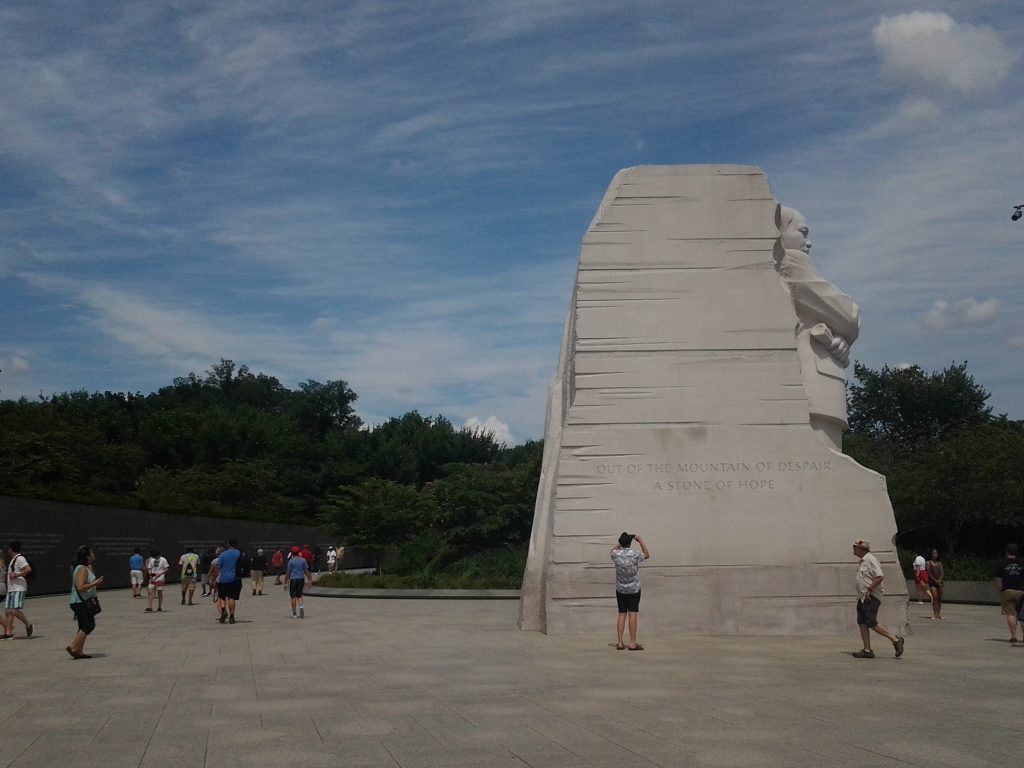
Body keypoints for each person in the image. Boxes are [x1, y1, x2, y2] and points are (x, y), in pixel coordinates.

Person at [776, 206, 860, 450]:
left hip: (813, 387)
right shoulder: (791, 262)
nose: (809, 243)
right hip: (812, 389)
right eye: (803, 232)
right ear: (779, 232)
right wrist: (844, 330)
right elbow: (848, 316)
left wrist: (839, 338)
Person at [852, 539, 905, 658]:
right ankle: (867, 650)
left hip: (871, 597)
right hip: (862, 597)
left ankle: (895, 640)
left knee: (871, 622)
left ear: (862, 549)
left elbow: (880, 576)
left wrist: (870, 589)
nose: (853, 549)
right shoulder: (862, 561)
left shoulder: (870, 559)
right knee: (862, 622)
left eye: (855, 547)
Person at [610, 532, 649, 651]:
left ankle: (620, 642)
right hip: (634, 589)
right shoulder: (635, 554)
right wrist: (640, 540)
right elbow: (646, 555)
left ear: (621, 543)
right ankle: (632, 643)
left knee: (622, 614)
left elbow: (611, 552)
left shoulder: (616, 554)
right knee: (632, 614)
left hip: (621, 589)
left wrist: (620, 543)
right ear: (630, 543)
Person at [68, 546, 103, 659]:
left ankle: (79, 651)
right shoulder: (82, 568)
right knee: (89, 625)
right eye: (92, 553)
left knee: (83, 625)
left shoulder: (83, 568)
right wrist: (95, 583)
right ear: (87, 556)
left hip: (80, 600)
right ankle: (73, 646)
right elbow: (80, 587)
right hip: (80, 601)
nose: (94, 555)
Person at [992, 543, 1024, 643]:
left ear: (1007, 552)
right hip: (1021, 591)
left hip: (1007, 590)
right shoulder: (1022, 562)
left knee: (1011, 613)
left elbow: (997, 579)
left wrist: (1000, 590)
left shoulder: (1001, 563)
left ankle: (1014, 636)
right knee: (1023, 615)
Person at [2, 541, 34, 640]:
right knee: (8, 611)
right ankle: (8, 632)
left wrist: (16, 575)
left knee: (14, 610)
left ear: (11, 549)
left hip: (18, 587)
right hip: (12, 588)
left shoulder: (20, 558)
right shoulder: (14, 559)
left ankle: (29, 625)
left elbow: (28, 569)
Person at [216, 539, 242, 624]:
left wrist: (214, 578)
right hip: (235, 578)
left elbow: (218, 566)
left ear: (228, 544)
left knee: (221, 597)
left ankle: (223, 610)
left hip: (223, 579)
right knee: (231, 597)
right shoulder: (239, 553)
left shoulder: (223, 554)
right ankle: (232, 617)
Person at [285, 545, 314, 619]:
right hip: (301, 578)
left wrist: (285, 581)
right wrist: (310, 580)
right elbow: (306, 571)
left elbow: (288, 572)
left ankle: (294, 613)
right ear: (299, 552)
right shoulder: (303, 560)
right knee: (300, 595)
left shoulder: (290, 561)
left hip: (293, 579)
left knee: (293, 596)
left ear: (292, 553)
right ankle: (301, 606)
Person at [926, 549, 944, 621]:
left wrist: (939, 580)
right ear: (931, 554)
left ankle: (939, 614)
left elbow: (942, 573)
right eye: (933, 553)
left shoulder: (939, 563)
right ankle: (935, 614)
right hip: (932, 583)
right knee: (935, 597)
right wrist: (935, 581)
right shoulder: (928, 563)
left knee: (939, 598)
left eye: (936, 553)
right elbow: (929, 573)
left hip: (940, 583)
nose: (935, 555)